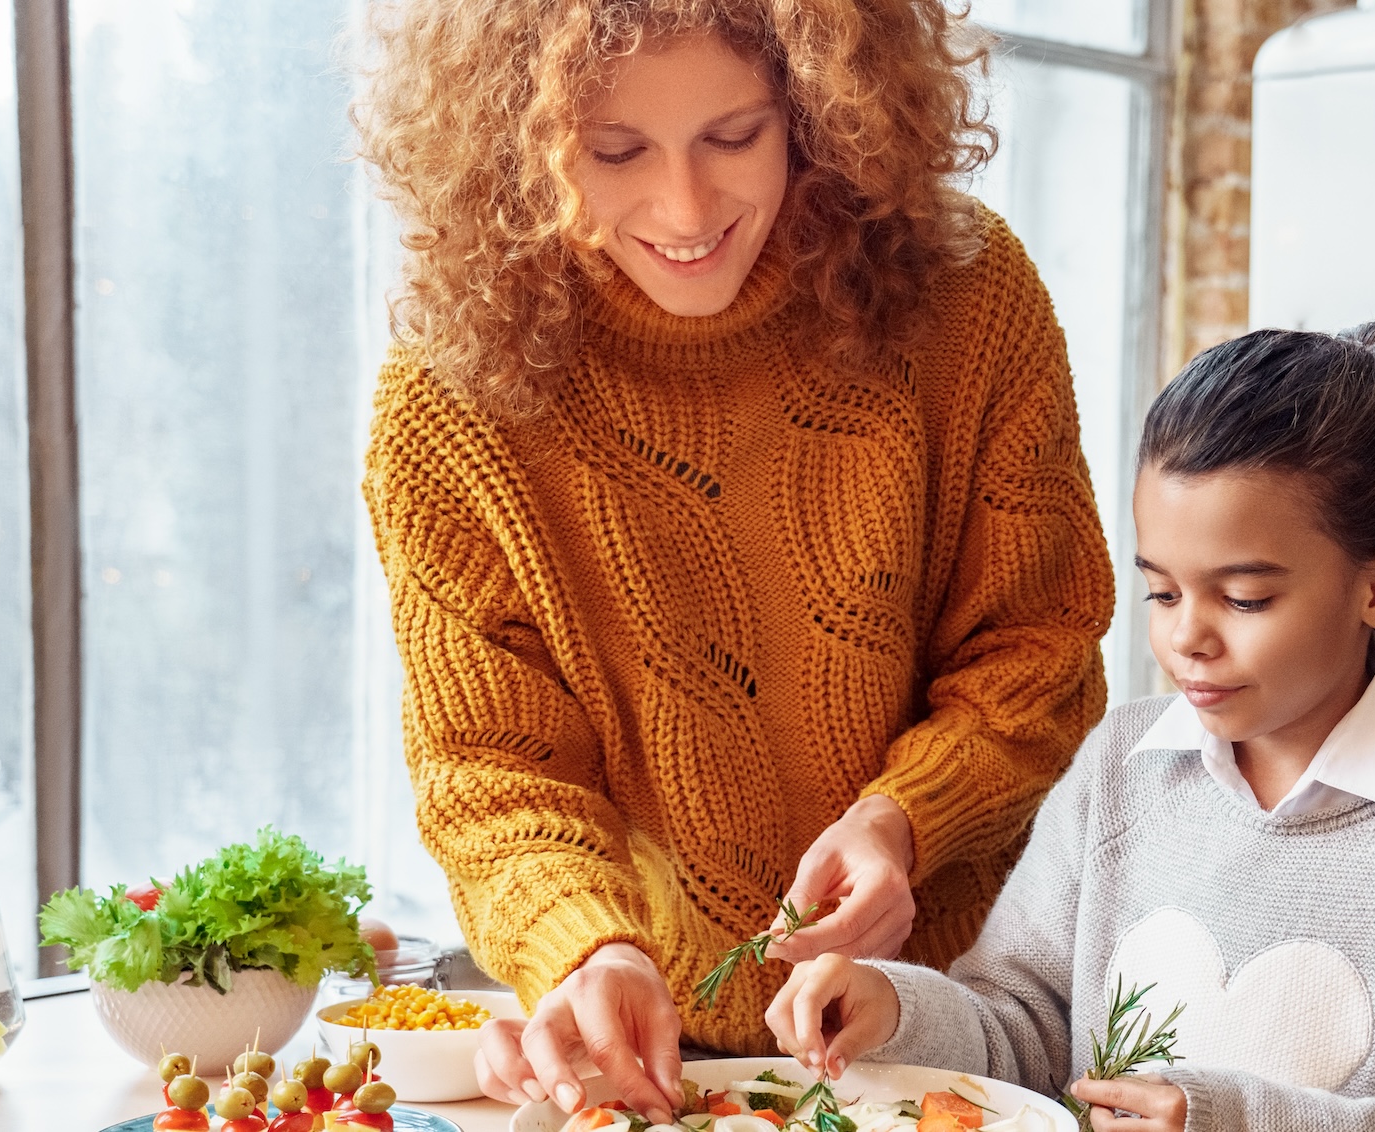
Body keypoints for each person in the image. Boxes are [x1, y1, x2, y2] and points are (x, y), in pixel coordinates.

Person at [353, 0, 1115, 1118]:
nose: (686, 206)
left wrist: (905, 820)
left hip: (967, 1022)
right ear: (518, 142)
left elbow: (1039, 648)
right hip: (657, 1056)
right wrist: (585, 947)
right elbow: (490, 770)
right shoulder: (449, 399)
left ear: (819, 109)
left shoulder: (968, 298)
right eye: (616, 153)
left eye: (734, 136)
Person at [767, 324, 1375, 1131]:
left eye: (1243, 599)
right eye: (1162, 593)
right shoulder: (1119, 768)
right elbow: (1021, 1027)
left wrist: (1231, 1120)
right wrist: (893, 1006)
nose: (1187, 636)